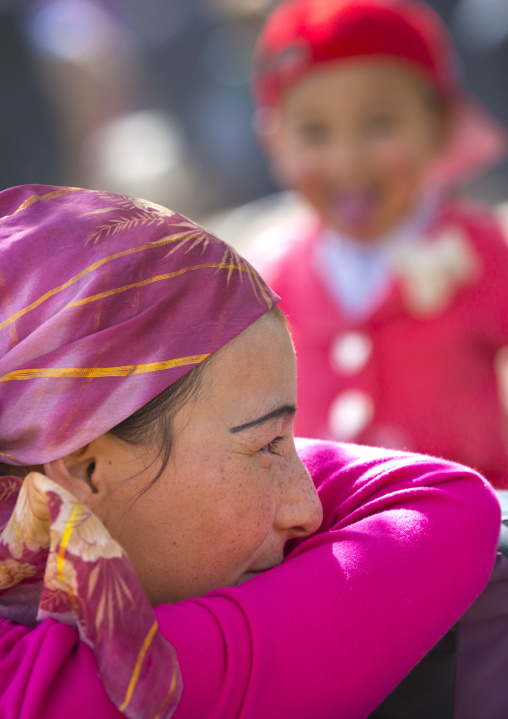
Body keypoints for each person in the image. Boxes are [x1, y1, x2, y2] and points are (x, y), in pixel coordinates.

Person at [0, 184, 500, 719]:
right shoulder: (110, 684)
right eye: (266, 445)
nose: (307, 512)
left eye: (289, 440)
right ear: (85, 470)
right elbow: (446, 502)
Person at [249, 0, 508, 488]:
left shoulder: (482, 253)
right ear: (276, 142)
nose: (347, 161)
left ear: (439, 126)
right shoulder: (271, 279)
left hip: (477, 540)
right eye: (314, 132)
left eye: (379, 124)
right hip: (335, 539)